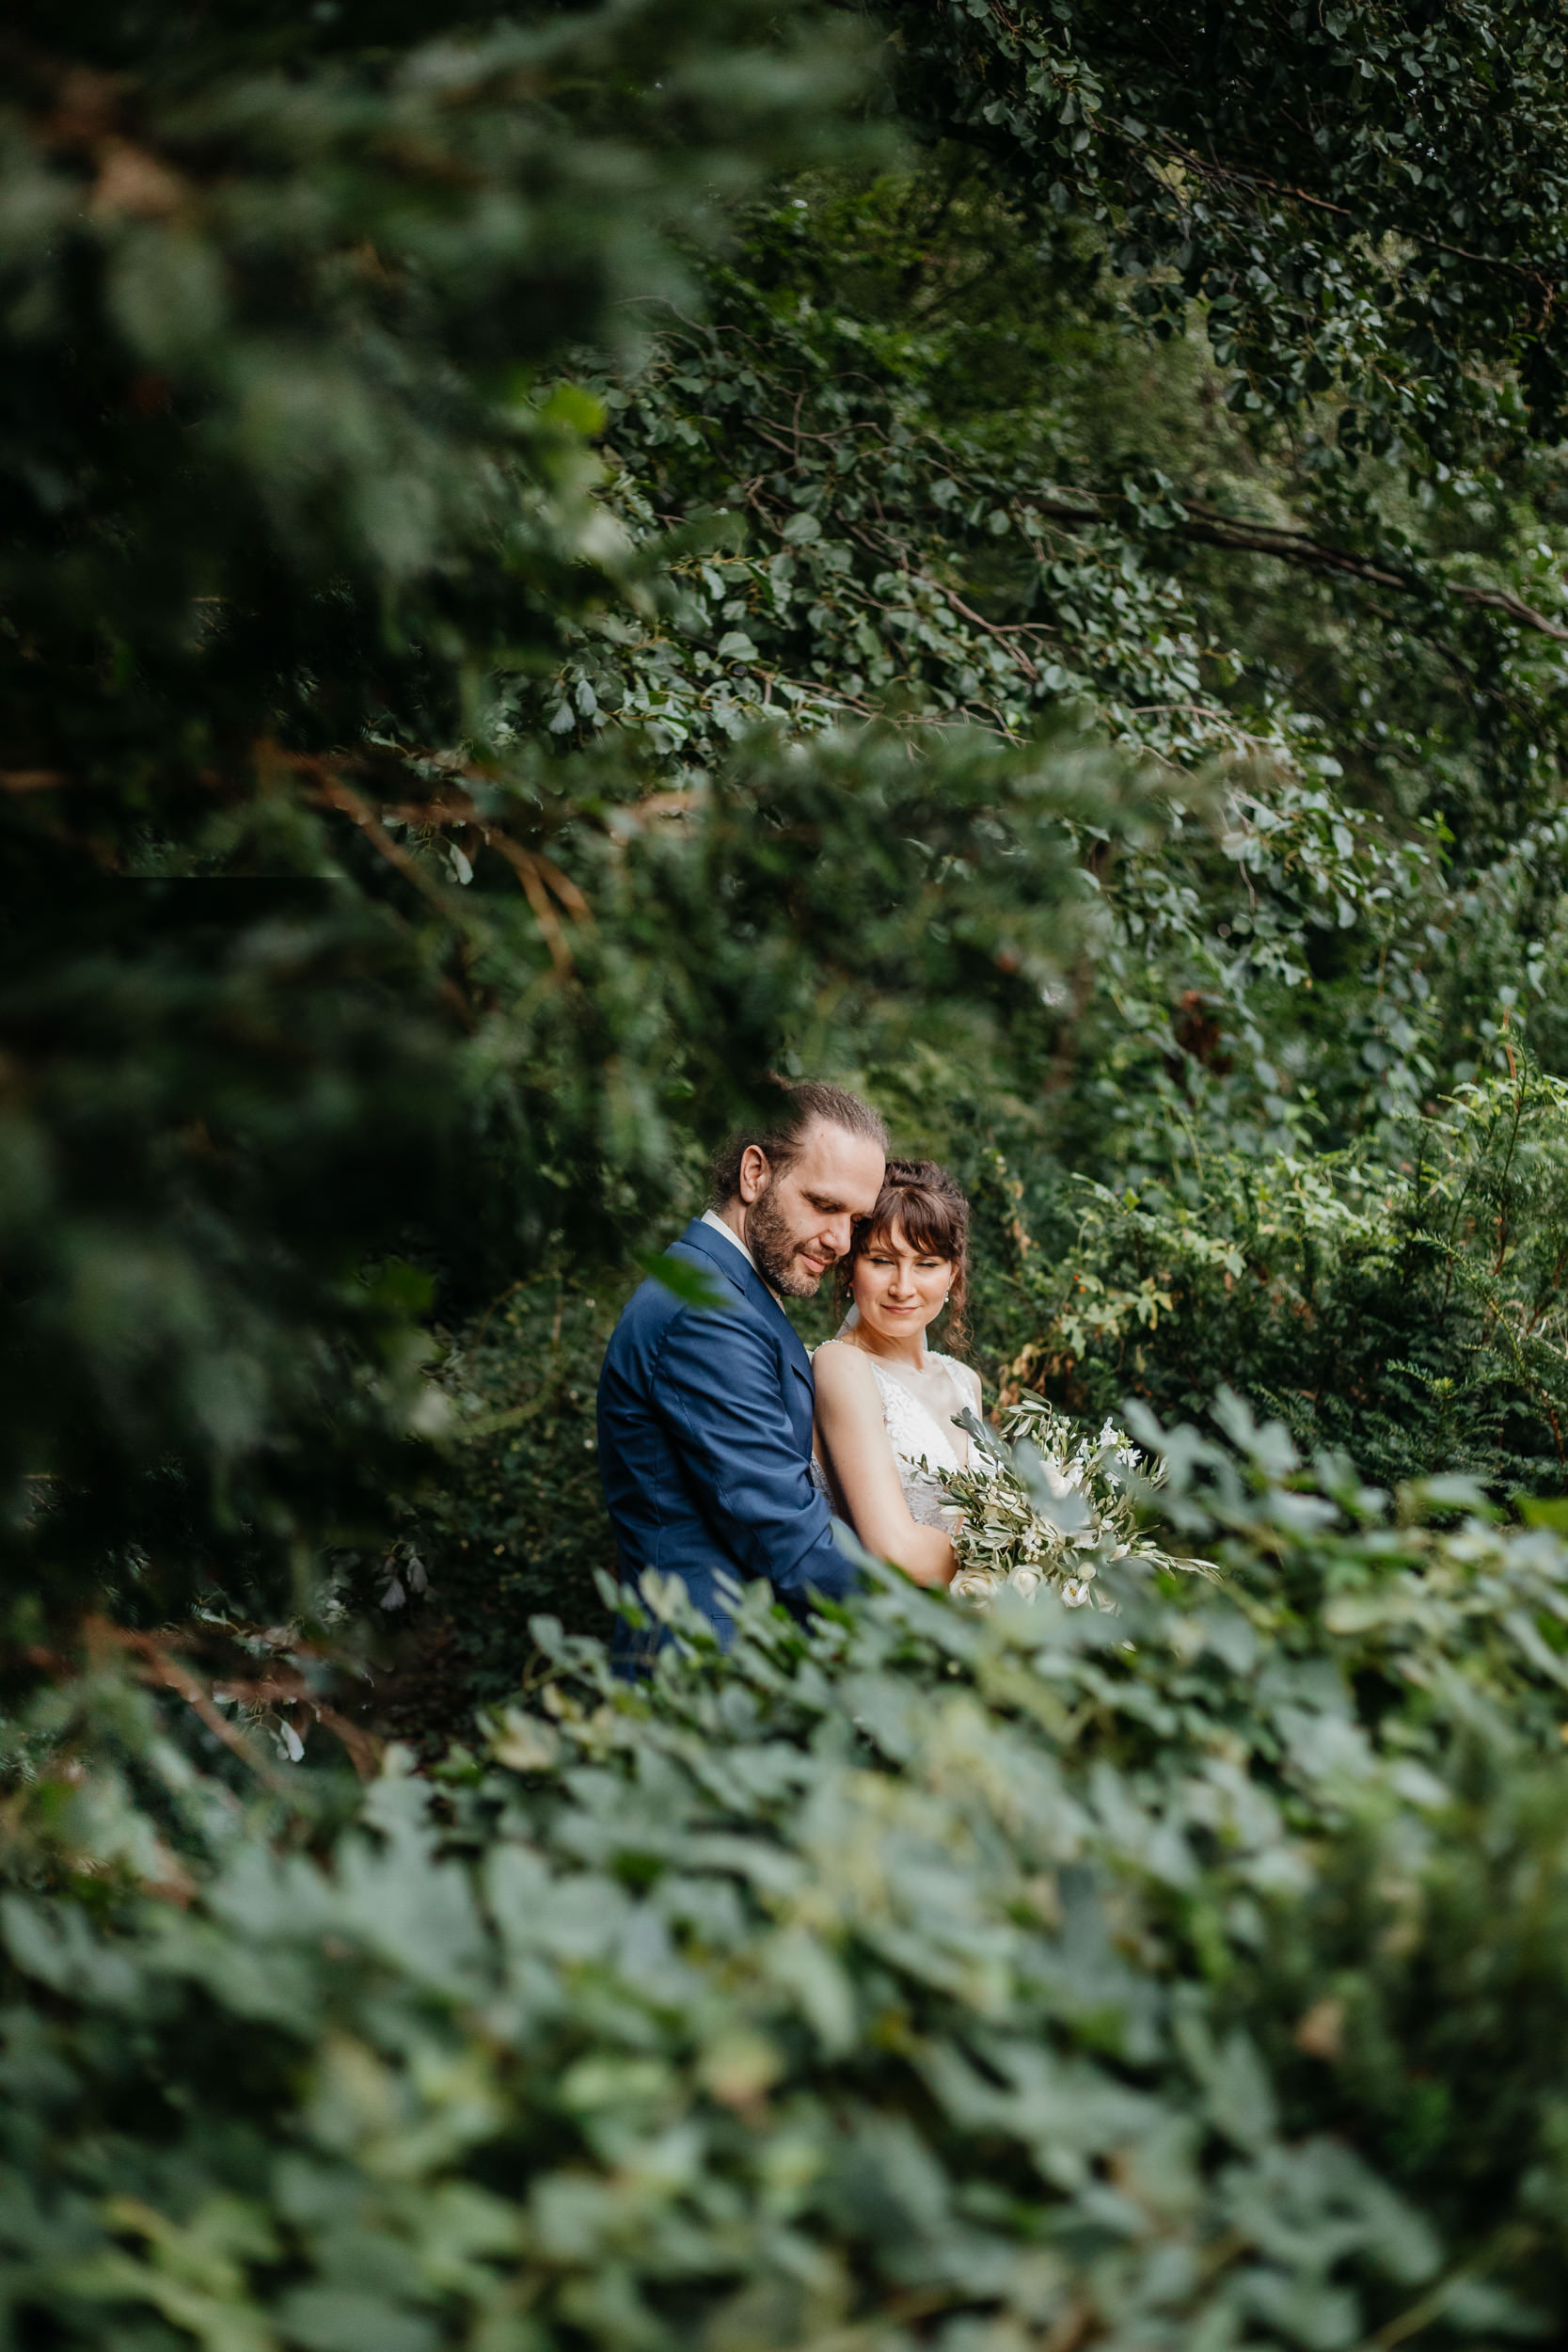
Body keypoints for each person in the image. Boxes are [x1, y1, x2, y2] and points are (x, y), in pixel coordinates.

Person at [596, 1080, 887, 1657]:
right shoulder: (705, 1311)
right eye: (824, 1204)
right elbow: (780, 1532)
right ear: (755, 1173)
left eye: (855, 1219)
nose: (838, 1240)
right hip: (698, 1674)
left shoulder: (731, 1290)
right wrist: (934, 1621)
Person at [810, 1161, 980, 1588]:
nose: (903, 1287)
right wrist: (1027, 1559)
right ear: (851, 1268)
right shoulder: (841, 1366)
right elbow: (894, 1551)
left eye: (926, 1264)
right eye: (883, 1261)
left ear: (952, 1274)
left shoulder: (965, 1380)